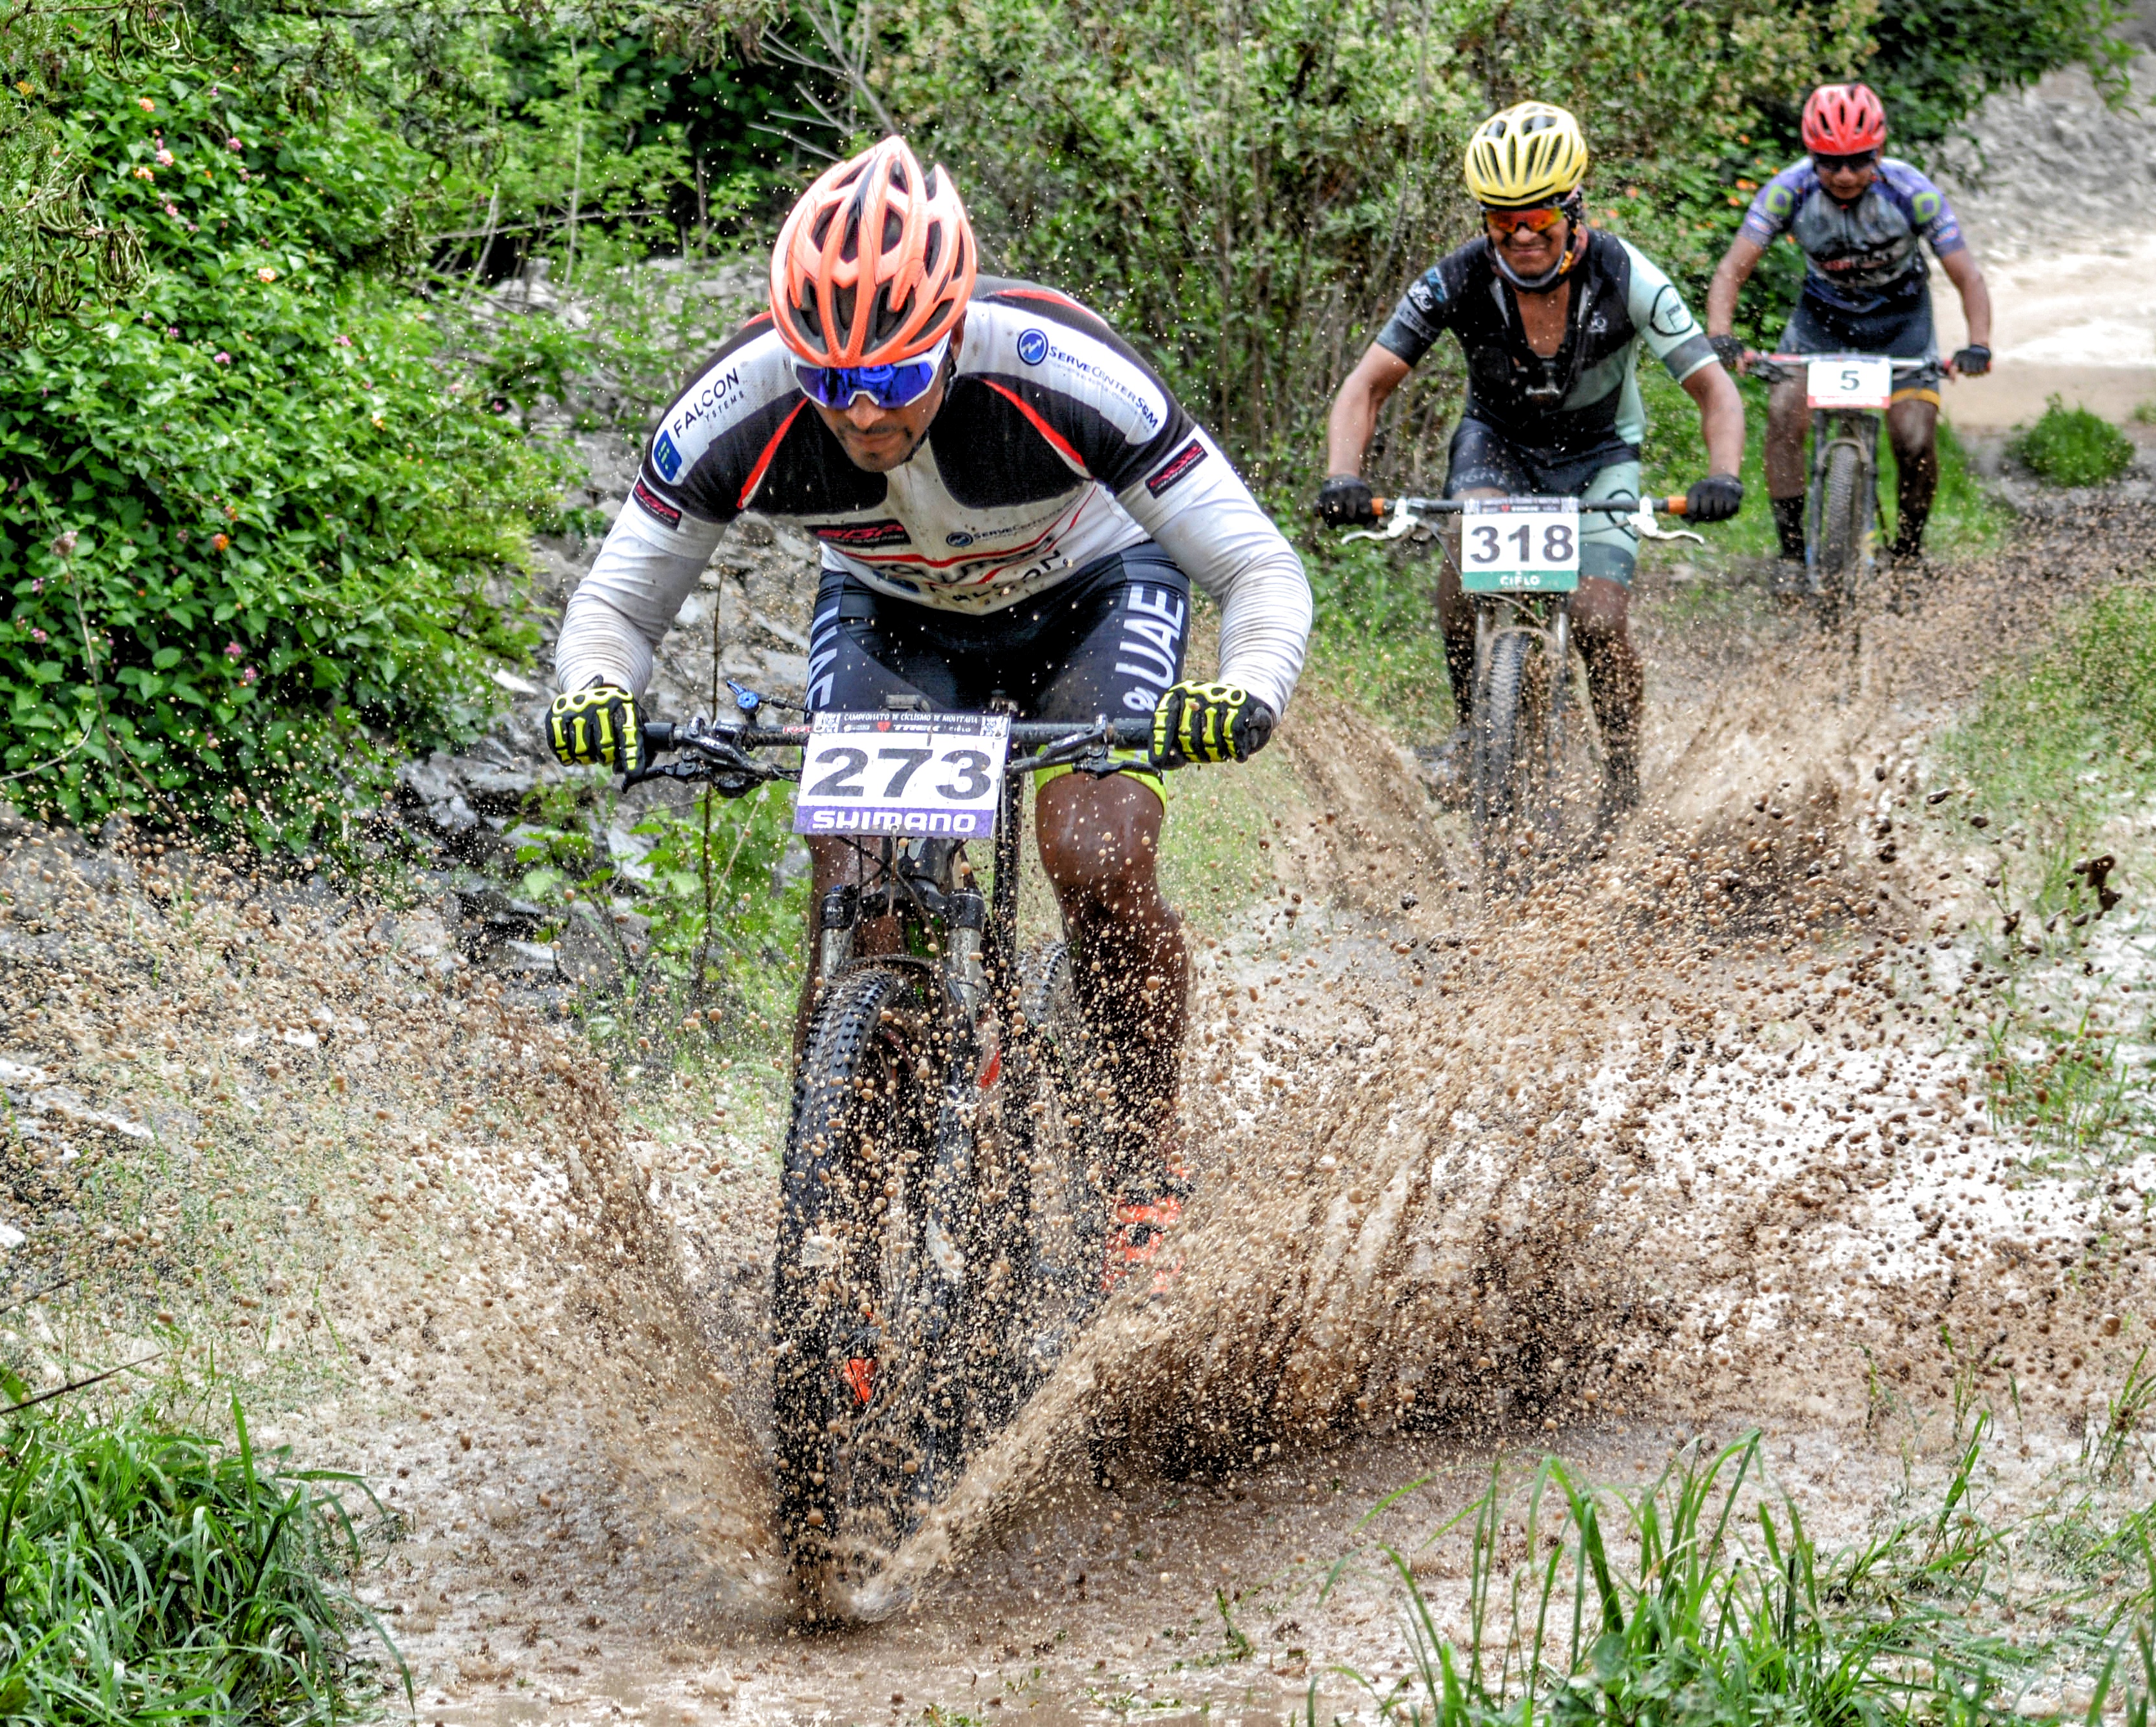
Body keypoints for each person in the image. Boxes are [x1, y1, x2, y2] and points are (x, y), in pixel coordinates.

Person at [542, 138, 1313, 1290]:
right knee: (855, 876)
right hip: (893, 611)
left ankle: (1143, 1169)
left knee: (1095, 855)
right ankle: (840, 1220)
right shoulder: (737, 402)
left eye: (896, 378)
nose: (861, 414)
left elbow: (1257, 564)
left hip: (1093, 591)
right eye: (828, 382)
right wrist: (595, 691)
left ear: (950, 334)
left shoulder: (1059, 369)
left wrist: (1246, 688)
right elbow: (615, 604)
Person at [1318, 102, 1746, 824]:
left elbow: (1714, 388)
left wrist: (1723, 474)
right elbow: (1367, 385)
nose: (1521, 236)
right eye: (1502, 220)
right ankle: (1472, 733)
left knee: (1598, 622)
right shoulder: (1455, 278)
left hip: (1600, 456)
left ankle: (1622, 776)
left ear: (1573, 208)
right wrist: (1342, 476)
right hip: (1498, 448)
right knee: (1461, 572)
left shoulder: (1626, 274)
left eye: (1539, 217)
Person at [1704, 83, 1994, 573]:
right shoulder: (1788, 191)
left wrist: (1978, 344)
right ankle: (1791, 554)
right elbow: (1733, 268)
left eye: (1858, 161)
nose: (1843, 175)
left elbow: (1967, 275)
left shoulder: (1913, 192)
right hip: (1821, 324)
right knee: (1783, 417)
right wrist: (1720, 334)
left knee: (1914, 439)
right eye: (1829, 162)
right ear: (1810, 156)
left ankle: (1908, 554)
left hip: (1902, 326)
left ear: (1879, 151)